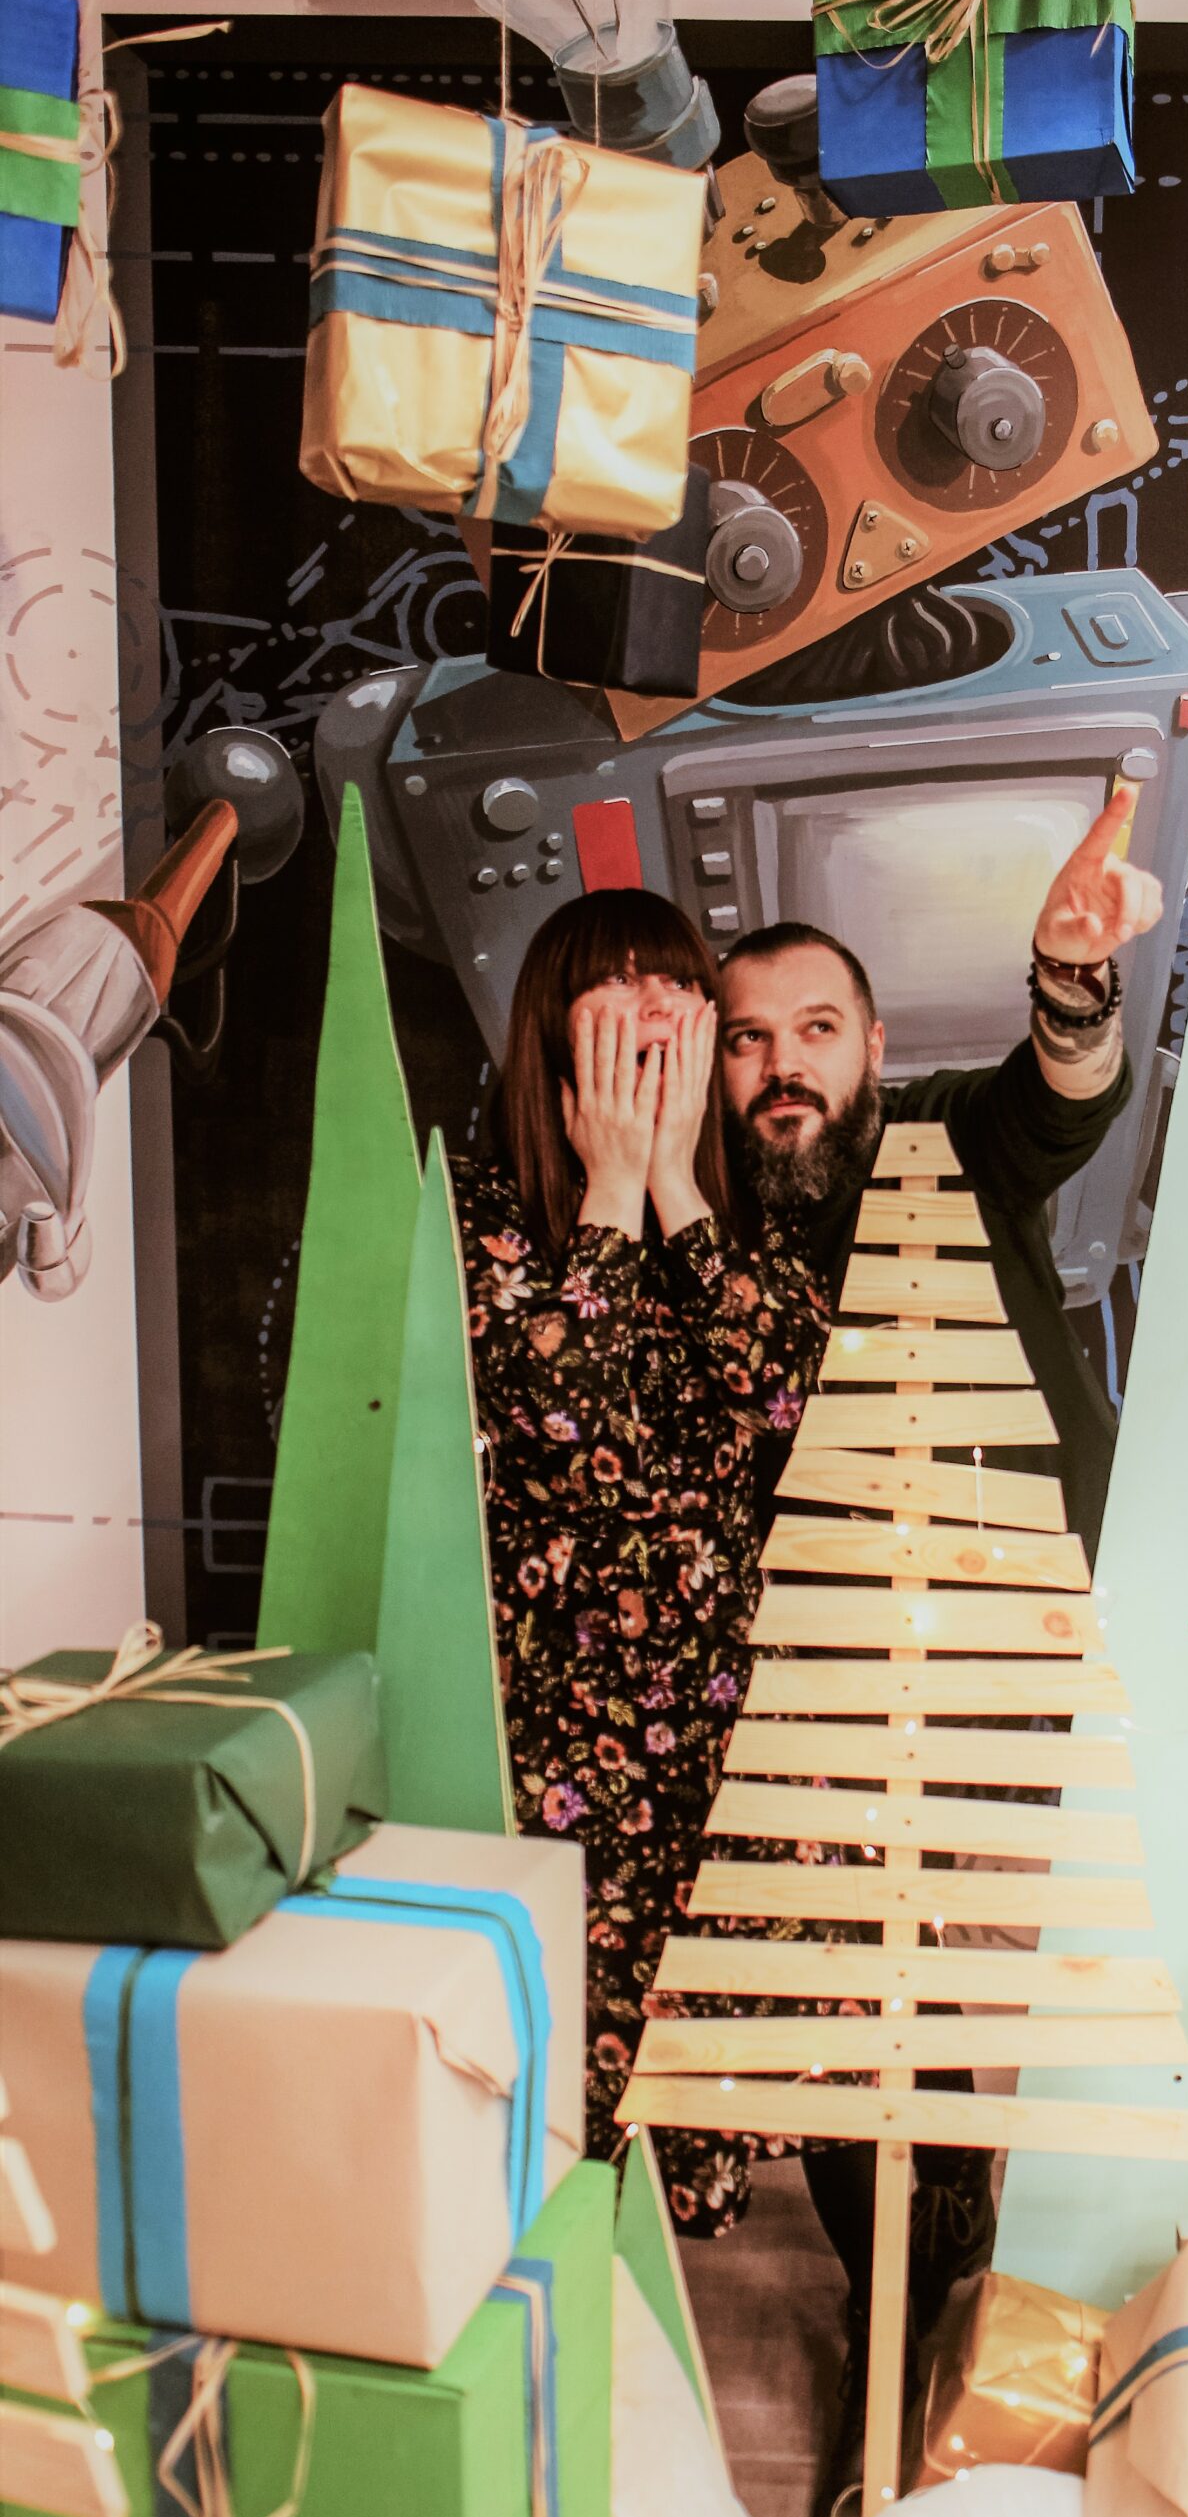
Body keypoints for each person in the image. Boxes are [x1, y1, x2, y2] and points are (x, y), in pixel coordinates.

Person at [715, 789, 1164, 2517]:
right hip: (830, 1690)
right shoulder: (699, 1214)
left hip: (1032, 1645)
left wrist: (1072, 978)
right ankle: (906, 2308)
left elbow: (1066, 1098)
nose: (785, 1068)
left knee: (1107, 1967)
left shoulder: (944, 1143)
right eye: (751, 1040)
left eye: (816, 1030)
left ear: (874, 1047)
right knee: (857, 2006)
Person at [452, 887, 830, 2236]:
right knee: (556, 2088)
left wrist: (671, 1185)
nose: (659, 1007)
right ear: (553, 1025)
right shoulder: (481, 1215)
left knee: (696, 2062)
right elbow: (568, 1438)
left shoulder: (736, 1221)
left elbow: (784, 1401)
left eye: (678, 980)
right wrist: (610, 1190)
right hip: (556, 1729)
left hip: (713, 1722)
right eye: (619, 981)